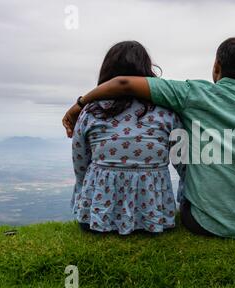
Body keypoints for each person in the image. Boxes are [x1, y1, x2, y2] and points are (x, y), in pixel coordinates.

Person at [63, 37, 235, 239]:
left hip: (199, 223)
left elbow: (123, 85)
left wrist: (79, 105)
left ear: (216, 66)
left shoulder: (191, 94)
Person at [71, 41, 181, 235]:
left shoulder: (90, 112)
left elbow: (80, 162)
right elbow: (183, 164)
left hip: (96, 218)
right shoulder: (167, 113)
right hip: (153, 218)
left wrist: (83, 190)